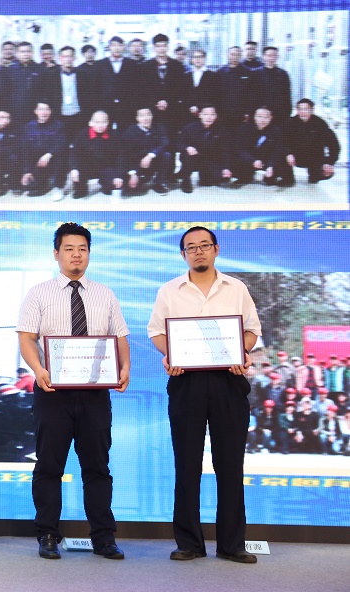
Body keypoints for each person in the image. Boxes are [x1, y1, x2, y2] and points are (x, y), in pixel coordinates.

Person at [148, 226, 262, 564]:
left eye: (204, 245)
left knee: (230, 464)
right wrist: (170, 355)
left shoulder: (236, 288)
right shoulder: (169, 291)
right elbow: (156, 332)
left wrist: (242, 351)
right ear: (183, 254)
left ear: (216, 249)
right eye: (191, 247)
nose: (198, 251)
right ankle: (189, 543)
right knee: (186, 463)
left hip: (229, 380)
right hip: (187, 382)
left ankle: (232, 544)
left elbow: (251, 330)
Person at [17, 222, 131, 561]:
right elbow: (27, 338)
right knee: (49, 466)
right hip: (52, 392)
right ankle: (48, 535)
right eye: (69, 249)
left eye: (82, 249)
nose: (76, 255)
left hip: (95, 394)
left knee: (98, 467)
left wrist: (125, 367)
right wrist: (38, 370)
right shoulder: (39, 293)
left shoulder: (104, 294)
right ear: (56, 254)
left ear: (89, 254)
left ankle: (104, 537)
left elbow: (120, 337)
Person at [69, 110, 125, 198]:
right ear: (90, 123)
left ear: (108, 123)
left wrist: (118, 175)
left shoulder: (114, 135)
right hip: (87, 166)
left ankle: (104, 182)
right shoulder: (82, 134)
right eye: (97, 122)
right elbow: (74, 153)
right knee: (79, 190)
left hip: (107, 166)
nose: (100, 125)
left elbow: (120, 156)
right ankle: (81, 188)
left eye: (103, 122)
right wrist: (74, 169)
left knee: (111, 190)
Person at [19, 102, 68, 201]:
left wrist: (49, 154)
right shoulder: (28, 127)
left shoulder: (58, 125)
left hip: (53, 158)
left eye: (47, 109)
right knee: (30, 188)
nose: (44, 112)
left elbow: (61, 143)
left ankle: (58, 187)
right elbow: (25, 150)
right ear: (36, 111)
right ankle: (43, 184)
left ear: (50, 111)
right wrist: (27, 171)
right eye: (41, 109)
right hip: (38, 161)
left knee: (61, 156)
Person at [285, 98, 341, 185]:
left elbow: (334, 145)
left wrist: (329, 162)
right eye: (300, 109)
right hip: (294, 157)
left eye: (306, 109)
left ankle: (314, 175)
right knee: (281, 159)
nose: (303, 112)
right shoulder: (290, 123)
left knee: (322, 175)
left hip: (314, 158)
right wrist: (288, 153)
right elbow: (282, 141)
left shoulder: (320, 124)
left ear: (312, 110)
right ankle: (288, 178)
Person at [176, 106, 232, 192]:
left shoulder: (221, 130)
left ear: (216, 116)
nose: (209, 117)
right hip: (193, 157)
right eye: (205, 114)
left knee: (221, 179)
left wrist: (226, 168)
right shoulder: (189, 128)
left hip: (209, 159)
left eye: (212, 114)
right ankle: (186, 180)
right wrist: (187, 147)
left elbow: (225, 150)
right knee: (187, 155)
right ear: (200, 115)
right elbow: (178, 143)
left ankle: (205, 175)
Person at [231, 107, 291, 188]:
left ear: (271, 118)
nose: (262, 120)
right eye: (259, 116)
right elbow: (240, 149)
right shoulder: (244, 128)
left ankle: (270, 177)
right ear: (254, 117)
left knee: (273, 176)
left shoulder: (276, 131)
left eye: (266, 117)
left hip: (266, 159)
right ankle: (246, 176)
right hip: (249, 159)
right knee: (236, 162)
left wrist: (270, 166)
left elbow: (277, 151)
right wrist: (252, 160)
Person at [140, 34, 185, 135]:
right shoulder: (145, 66)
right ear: (154, 48)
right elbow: (144, 87)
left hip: (172, 108)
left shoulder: (177, 66)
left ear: (168, 47)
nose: (161, 49)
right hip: (152, 108)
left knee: (172, 135)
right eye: (158, 46)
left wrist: (167, 101)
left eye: (164, 46)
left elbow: (180, 87)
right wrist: (157, 101)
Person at [122, 107, 173, 195]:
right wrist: (132, 173)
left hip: (152, 160)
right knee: (133, 189)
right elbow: (127, 154)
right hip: (136, 163)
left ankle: (159, 183)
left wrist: (150, 155)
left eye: (148, 115)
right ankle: (141, 178)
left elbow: (165, 142)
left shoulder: (159, 127)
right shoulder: (130, 131)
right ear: (137, 118)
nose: (146, 118)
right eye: (142, 116)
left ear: (152, 116)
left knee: (166, 154)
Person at [43, 46, 88, 139]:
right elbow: (48, 96)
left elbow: (88, 96)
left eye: (70, 56)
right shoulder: (52, 75)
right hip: (59, 115)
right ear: (60, 58)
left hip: (78, 115)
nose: (68, 59)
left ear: (74, 58)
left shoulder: (83, 74)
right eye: (65, 56)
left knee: (77, 140)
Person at [96, 36, 139, 131]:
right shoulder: (100, 64)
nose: (117, 48)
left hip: (127, 107)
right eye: (114, 45)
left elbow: (136, 87)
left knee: (126, 132)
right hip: (106, 106)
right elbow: (97, 87)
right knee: (105, 132)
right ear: (109, 47)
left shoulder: (132, 64)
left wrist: (133, 106)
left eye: (120, 45)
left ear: (124, 47)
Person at [7, 42, 46, 126]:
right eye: (22, 52)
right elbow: (6, 92)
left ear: (32, 53)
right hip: (15, 112)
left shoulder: (41, 69)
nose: (26, 54)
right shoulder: (10, 70)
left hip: (35, 112)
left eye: (28, 51)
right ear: (17, 53)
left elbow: (45, 91)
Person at [217, 46, 255, 133]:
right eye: (232, 54)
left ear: (241, 56)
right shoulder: (220, 72)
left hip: (241, 113)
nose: (235, 57)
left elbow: (251, 95)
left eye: (237, 55)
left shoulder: (248, 72)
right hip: (223, 113)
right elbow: (216, 94)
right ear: (227, 55)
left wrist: (248, 112)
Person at [253, 47, 292, 124]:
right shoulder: (256, 74)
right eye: (269, 55)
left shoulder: (283, 74)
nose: (271, 58)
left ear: (277, 57)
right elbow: (253, 95)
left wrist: (288, 112)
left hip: (279, 113)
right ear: (263, 57)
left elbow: (287, 94)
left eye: (274, 55)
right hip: (261, 114)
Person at [182, 50, 220, 121]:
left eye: (200, 57)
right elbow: (183, 94)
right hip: (187, 113)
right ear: (192, 59)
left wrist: (199, 107)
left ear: (204, 58)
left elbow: (213, 95)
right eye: (195, 57)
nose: (197, 59)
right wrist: (190, 106)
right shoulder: (186, 76)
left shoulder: (212, 76)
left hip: (206, 113)